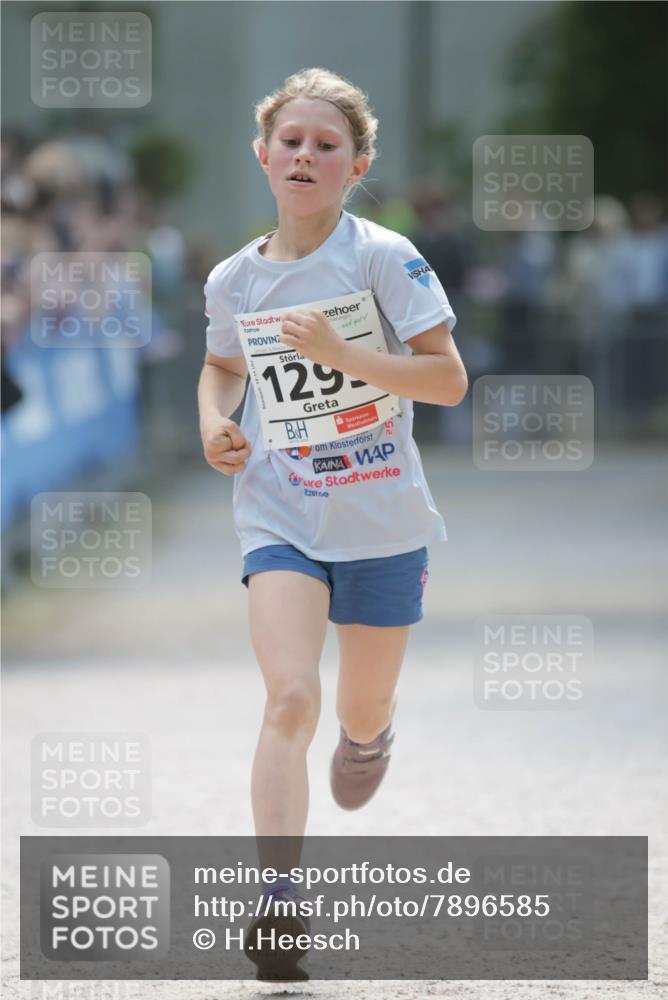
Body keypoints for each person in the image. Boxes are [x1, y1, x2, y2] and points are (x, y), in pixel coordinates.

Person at [197, 67, 467, 980]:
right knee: (290, 698)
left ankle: (372, 733)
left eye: (327, 145)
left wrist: (344, 354)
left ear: (355, 167)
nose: (306, 155)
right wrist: (214, 422)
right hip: (280, 511)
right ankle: (278, 905)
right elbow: (219, 367)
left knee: (356, 705)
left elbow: (448, 379)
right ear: (264, 155)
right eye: (292, 141)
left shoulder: (383, 257)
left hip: (383, 518)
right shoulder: (233, 278)